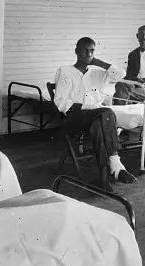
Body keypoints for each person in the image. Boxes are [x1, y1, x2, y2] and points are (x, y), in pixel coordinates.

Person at [53, 37, 136, 186]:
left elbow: (120, 74)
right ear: (76, 51)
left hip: (96, 118)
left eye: (92, 51)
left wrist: (97, 62)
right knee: (106, 113)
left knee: (99, 122)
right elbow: (61, 103)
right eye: (85, 50)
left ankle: (104, 178)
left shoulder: (96, 73)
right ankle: (116, 166)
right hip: (74, 117)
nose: (89, 54)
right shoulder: (65, 71)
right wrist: (89, 107)